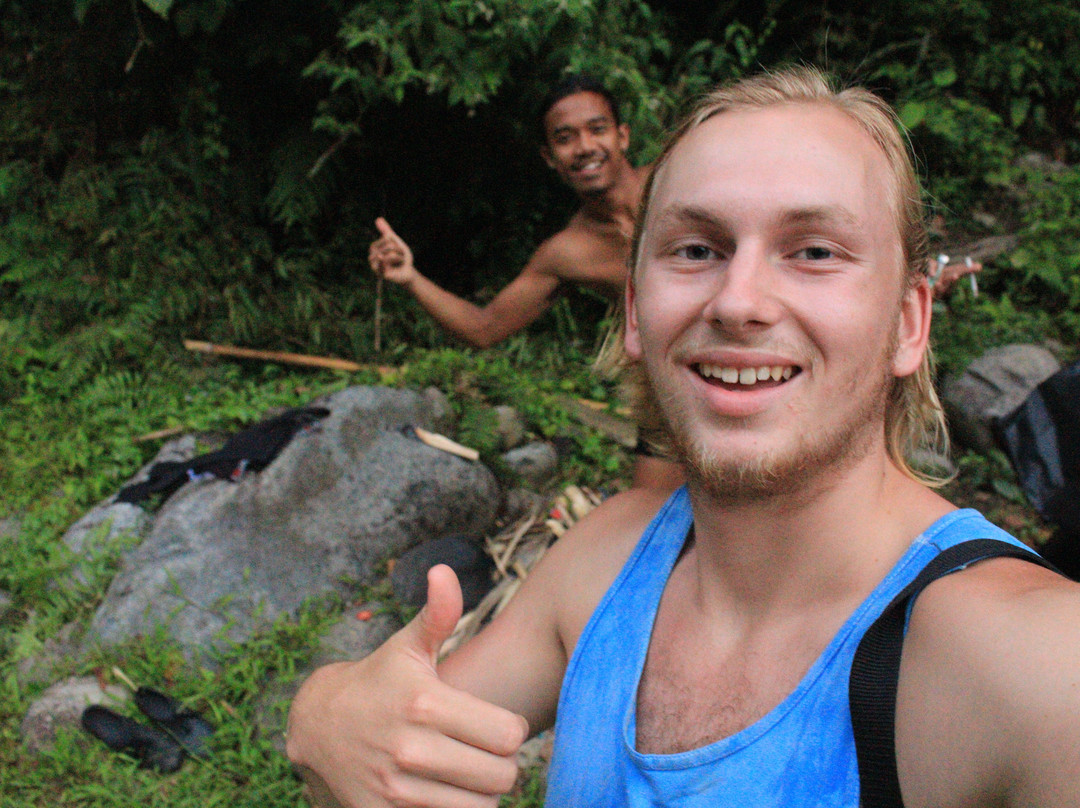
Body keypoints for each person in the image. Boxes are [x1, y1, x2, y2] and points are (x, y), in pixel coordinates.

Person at [288, 66, 1079, 807]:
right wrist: (324, 712)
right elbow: (393, 753)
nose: (739, 300)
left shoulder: (1032, 668)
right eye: (696, 250)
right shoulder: (604, 559)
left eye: (813, 252)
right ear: (635, 310)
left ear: (909, 322)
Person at [370, 73, 682, 490]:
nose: (585, 146)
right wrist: (410, 278)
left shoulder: (676, 180)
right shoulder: (567, 252)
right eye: (565, 137)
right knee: (653, 516)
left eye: (597, 129)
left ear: (622, 136)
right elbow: (484, 329)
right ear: (549, 156)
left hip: (748, 365)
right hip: (667, 394)